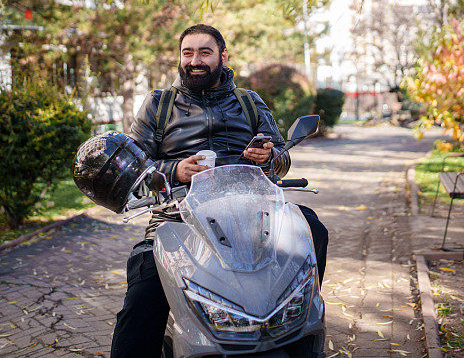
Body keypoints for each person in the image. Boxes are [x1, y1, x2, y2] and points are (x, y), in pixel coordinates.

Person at [110, 24, 329, 358]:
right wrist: (175, 170)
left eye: (204, 52)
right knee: (140, 301)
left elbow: (282, 158)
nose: (195, 60)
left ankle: (298, 319)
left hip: (251, 214)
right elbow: (136, 163)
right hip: (175, 221)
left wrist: (269, 156)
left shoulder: (249, 102)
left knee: (312, 227)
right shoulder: (159, 104)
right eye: (188, 52)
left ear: (223, 56)